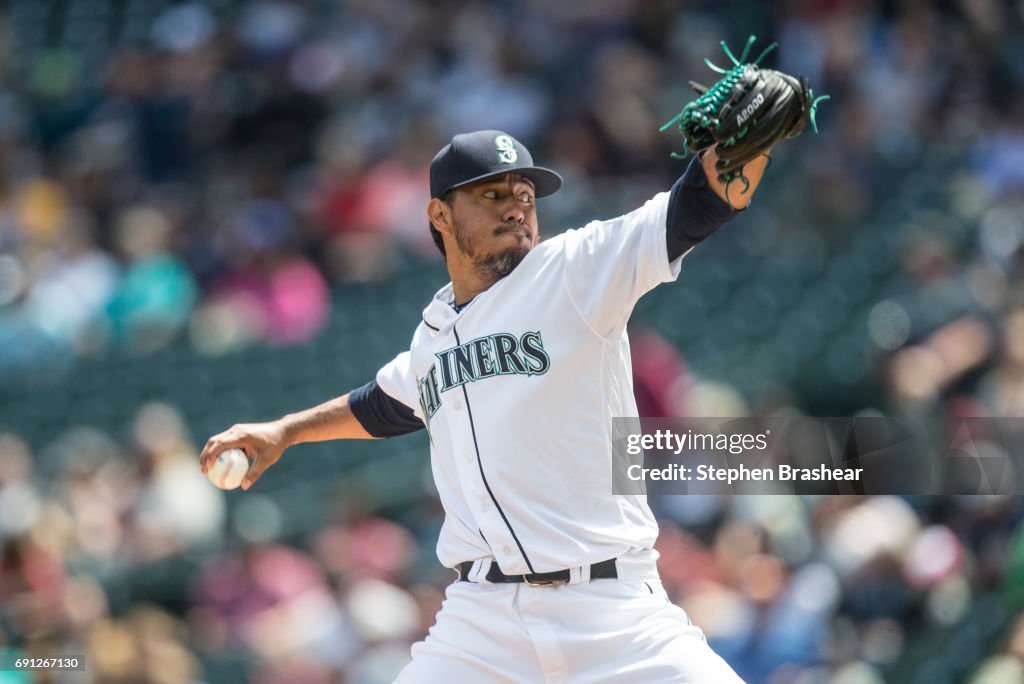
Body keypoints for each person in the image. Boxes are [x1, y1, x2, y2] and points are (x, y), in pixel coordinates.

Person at [201, 128, 769, 682]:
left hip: (612, 611)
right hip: (482, 625)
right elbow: (383, 404)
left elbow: (691, 209)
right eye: (492, 195)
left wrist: (746, 148)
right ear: (440, 217)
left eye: (525, 195)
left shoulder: (573, 272)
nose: (517, 209)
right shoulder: (434, 333)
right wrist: (284, 431)